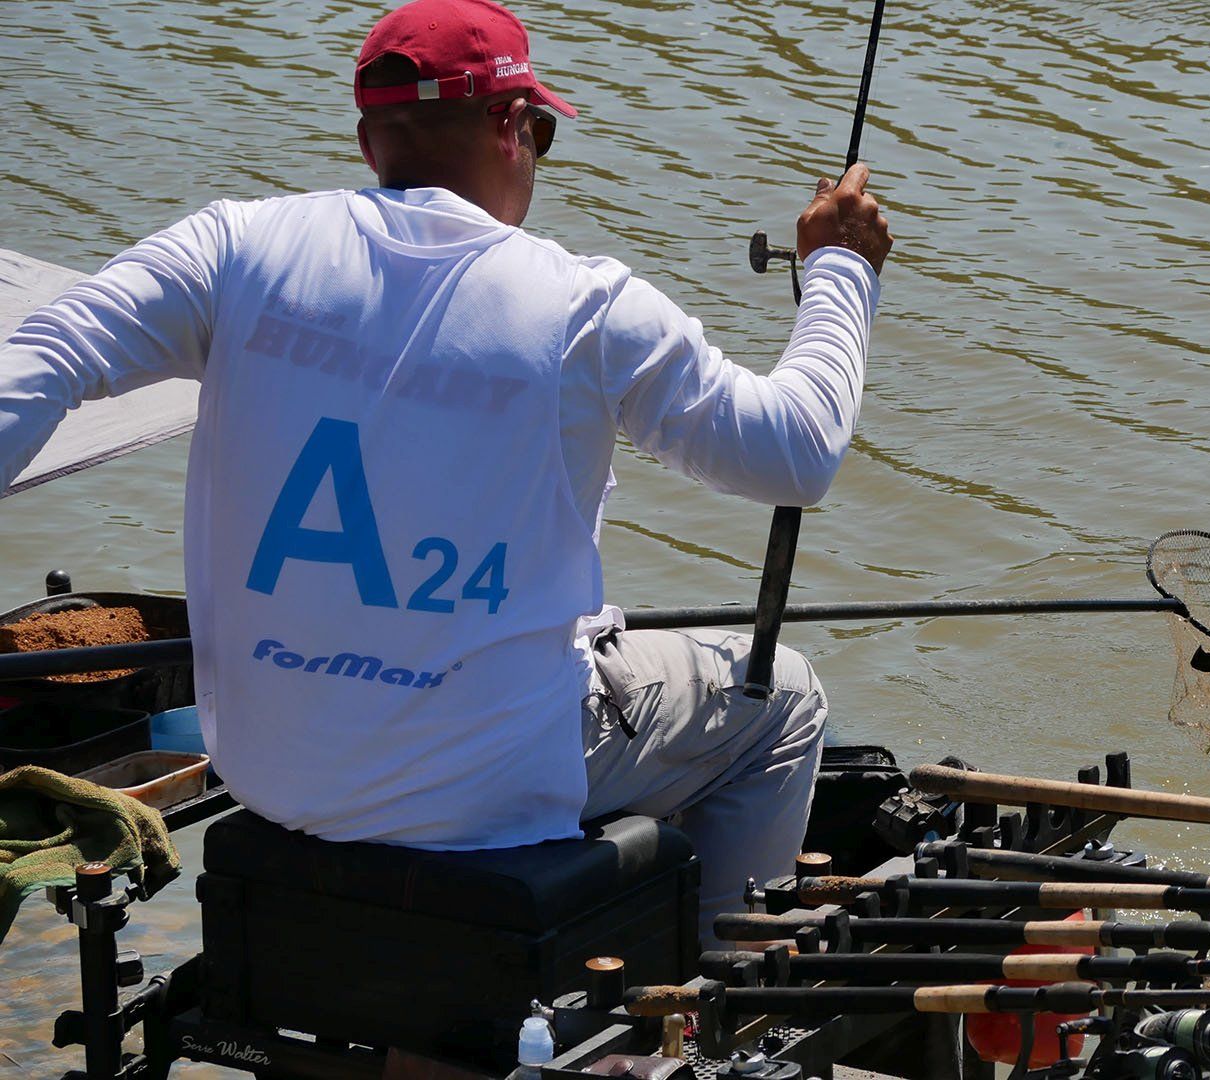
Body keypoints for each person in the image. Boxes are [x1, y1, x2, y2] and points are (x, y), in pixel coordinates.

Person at [0, 0, 891, 935]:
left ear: (368, 137)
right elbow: (797, 452)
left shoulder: (231, 247)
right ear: (512, 127)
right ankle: (717, 1000)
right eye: (541, 130)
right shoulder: (586, 305)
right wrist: (838, 270)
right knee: (782, 696)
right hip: (486, 791)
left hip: (269, 771)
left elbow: (47, 353)